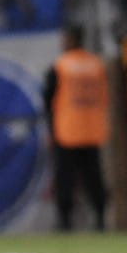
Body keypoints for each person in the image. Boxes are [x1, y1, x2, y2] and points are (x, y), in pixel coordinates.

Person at [44, 25, 110, 231]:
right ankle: (100, 219)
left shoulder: (60, 66)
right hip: (92, 129)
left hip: (68, 130)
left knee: (66, 178)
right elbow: (104, 98)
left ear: (71, 39)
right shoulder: (96, 64)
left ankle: (65, 222)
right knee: (94, 177)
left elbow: (48, 100)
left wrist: (51, 130)